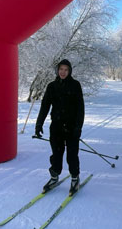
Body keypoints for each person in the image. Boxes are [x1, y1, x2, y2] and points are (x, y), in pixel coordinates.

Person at [35, 59, 85, 195]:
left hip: (71, 127)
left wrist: (78, 127)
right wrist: (39, 123)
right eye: (61, 69)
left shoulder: (75, 85)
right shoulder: (52, 86)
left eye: (66, 70)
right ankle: (54, 176)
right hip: (56, 126)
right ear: (57, 70)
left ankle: (75, 177)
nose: (63, 72)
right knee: (56, 154)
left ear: (69, 71)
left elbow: (81, 108)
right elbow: (45, 106)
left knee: (72, 155)